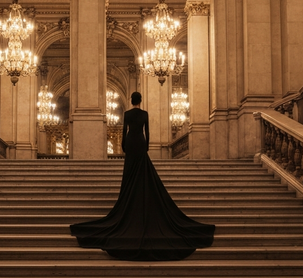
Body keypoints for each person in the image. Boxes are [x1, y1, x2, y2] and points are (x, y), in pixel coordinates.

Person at [70, 91, 215, 260]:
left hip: (131, 141)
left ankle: (130, 190)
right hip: (139, 140)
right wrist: (146, 146)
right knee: (142, 168)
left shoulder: (127, 114)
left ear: (131, 101)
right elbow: (147, 132)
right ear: (140, 100)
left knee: (130, 169)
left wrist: (124, 145)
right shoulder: (145, 114)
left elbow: (125, 131)